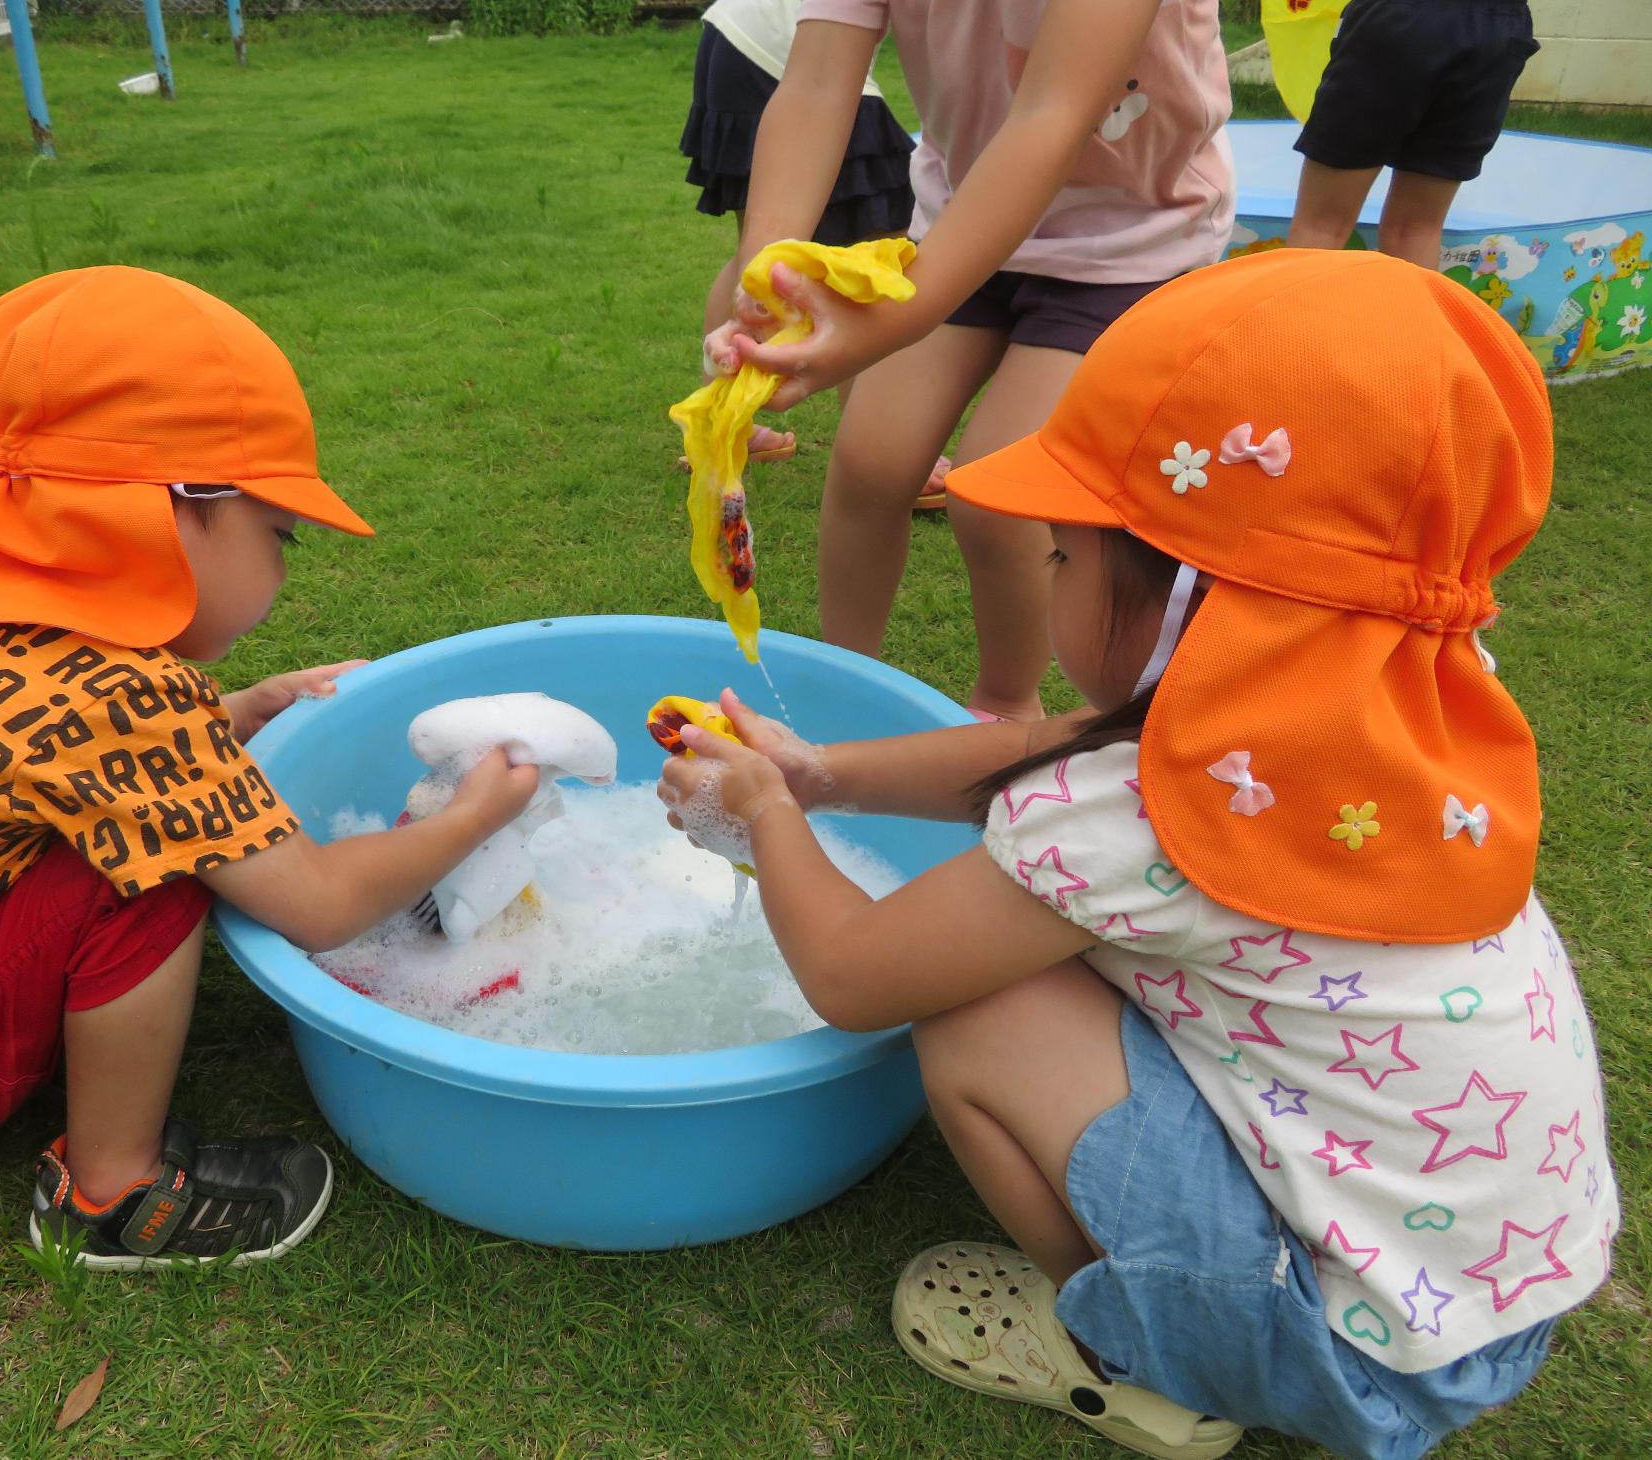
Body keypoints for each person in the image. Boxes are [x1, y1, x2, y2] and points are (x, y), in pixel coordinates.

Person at [661, 251, 1614, 1458]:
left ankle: (1133, 1357)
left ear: (1181, 606)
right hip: (1484, 1296)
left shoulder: (1140, 820)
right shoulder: (1395, 699)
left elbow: (852, 976)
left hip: (1348, 1349)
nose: (1047, 574)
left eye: (1063, 557)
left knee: (978, 1009)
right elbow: (1050, 747)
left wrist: (761, 816)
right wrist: (820, 775)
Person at [0, 266, 539, 1269]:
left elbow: (23, 754)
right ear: (173, 510)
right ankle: (112, 1194)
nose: (282, 572)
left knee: (151, 826)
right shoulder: (117, 695)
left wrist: (230, 713)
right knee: (152, 874)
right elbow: (319, 905)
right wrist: (475, 815)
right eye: (277, 537)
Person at [703, 0, 1232, 720]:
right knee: (870, 462)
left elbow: (1053, 113)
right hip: (960, 222)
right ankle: (845, 700)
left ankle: (1006, 709)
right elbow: (818, 85)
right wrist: (768, 271)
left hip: (1130, 246)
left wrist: (890, 323)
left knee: (996, 493)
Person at [680, 0, 917, 472]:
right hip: (788, 38)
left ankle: (724, 424)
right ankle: (883, 443)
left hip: (738, 29)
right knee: (874, 246)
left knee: (760, 250)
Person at [1287, 0, 1545, 269]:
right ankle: (1407, 318)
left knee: (1322, 224)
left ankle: (1289, 318)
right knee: (1416, 230)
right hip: (1500, 21)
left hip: (1403, 4)